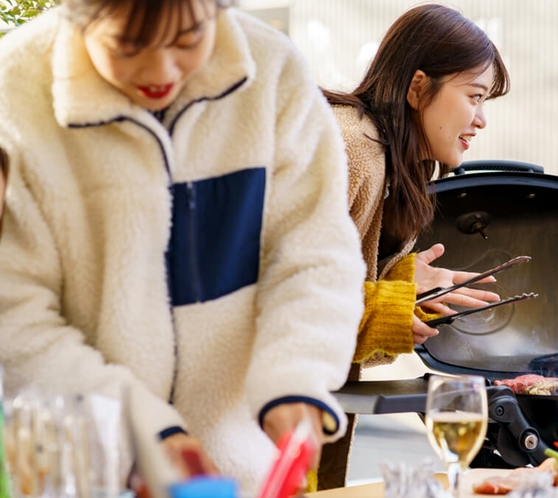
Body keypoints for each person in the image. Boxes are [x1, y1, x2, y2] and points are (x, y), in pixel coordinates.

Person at [0, 0, 365, 494]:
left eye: (189, 37)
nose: (160, 69)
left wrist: (296, 377)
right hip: (84, 474)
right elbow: (14, 317)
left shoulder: (275, 74)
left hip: (244, 473)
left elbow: (316, 253)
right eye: (128, 45)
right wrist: (144, 431)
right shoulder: (16, 87)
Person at [315, 4, 511, 489]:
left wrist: (411, 290)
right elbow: (278, 302)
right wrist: (392, 303)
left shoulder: (393, 163)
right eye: (475, 96)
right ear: (419, 87)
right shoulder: (350, 149)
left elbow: (341, 284)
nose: (482, 119)